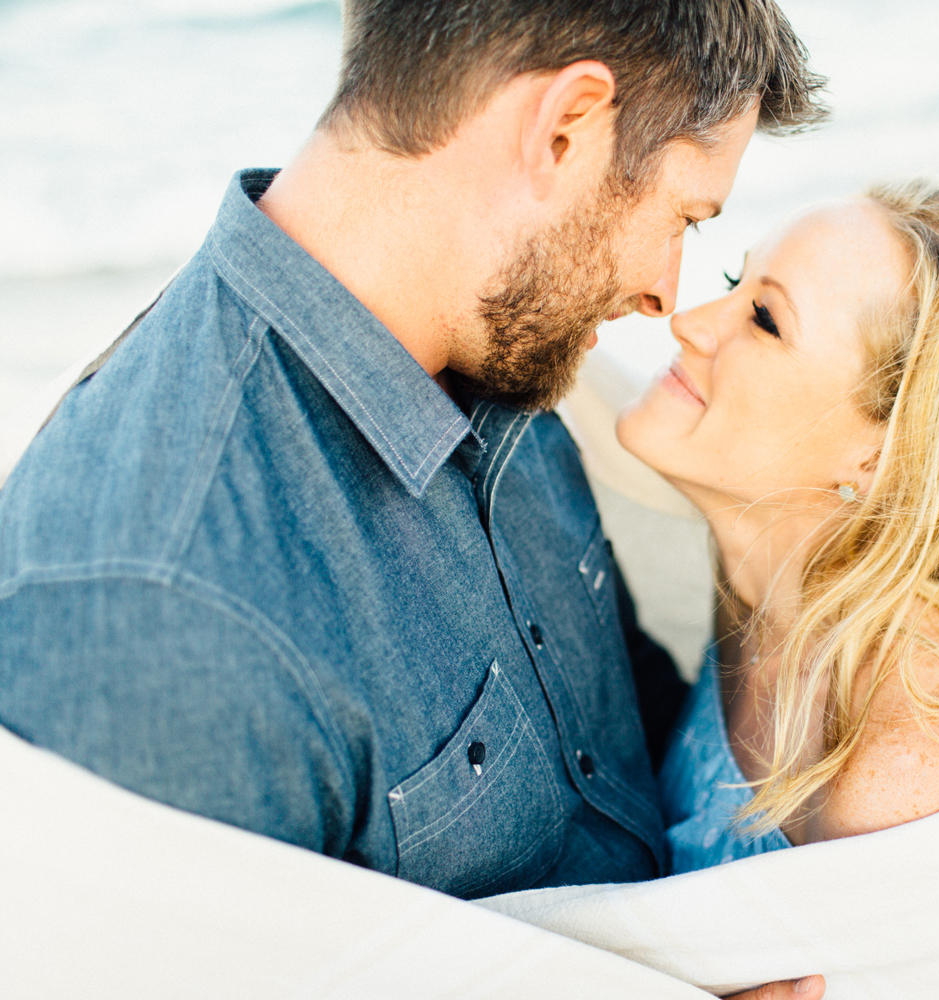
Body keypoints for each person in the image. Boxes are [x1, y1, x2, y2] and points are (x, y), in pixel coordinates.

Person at [0, 0, 825, 923]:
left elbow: (632, 721)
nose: (661, 292)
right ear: (563, 131)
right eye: (684, 216)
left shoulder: (503, 346)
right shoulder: (161, 615)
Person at [603, 180, 939, 968]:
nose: (687, 321)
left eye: (764, 319)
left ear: (881, 455)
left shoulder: (914, 727)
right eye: (733, 284)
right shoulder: (770, 589)